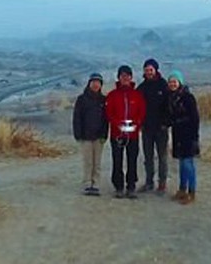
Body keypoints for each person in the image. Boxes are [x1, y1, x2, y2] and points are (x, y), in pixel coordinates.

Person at [106, 65, 146, 199]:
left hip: (133, 134)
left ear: (131, 77)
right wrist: (118, 124)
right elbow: (108, 113)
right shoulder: (112, 95)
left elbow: (142, 111)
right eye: (122, 76)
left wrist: (137, 123)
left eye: (127, 75)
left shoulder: (137, 95)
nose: (125, 78)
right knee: (117, 160)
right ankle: (118, 186)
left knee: (132, 160)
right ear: (118, 78)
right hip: (117, 134)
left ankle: (131, 186)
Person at [166, 70, 200, 205]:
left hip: (188, 135)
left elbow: (195, 118)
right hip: (177, 134)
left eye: (175, 81)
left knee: (188, 164)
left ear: (180, 82)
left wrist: (194, 136)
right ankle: (182, 189)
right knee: (181, 164)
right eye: (170, 82)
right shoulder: (171, 97)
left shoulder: (188, 97)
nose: (172, 84)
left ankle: (191, 192)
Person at [136, 58, 170, 194]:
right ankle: (149, 182)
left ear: (156, 70)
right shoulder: (142, 87)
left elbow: (169, 106)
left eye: (151, 70)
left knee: (162, 157)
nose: (149, 72)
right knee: (148, 157)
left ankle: (162, 184)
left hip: (161, 129)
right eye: (146, 70)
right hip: (147, 129)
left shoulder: (163, 85)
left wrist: (166, 123)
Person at [72, 73, 108, 196]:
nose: (96, 85)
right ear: (89, 83)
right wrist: (78, 134)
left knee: (97, 162)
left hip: (99, 136)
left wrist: (104, 134)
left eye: (98, 82)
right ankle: (87, 184)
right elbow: (77, 117)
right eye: (94, 82)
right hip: (85, 136)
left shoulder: (103, 100)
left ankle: (96, 184)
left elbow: (105, 119)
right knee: (88, 162)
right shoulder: (82, 99)